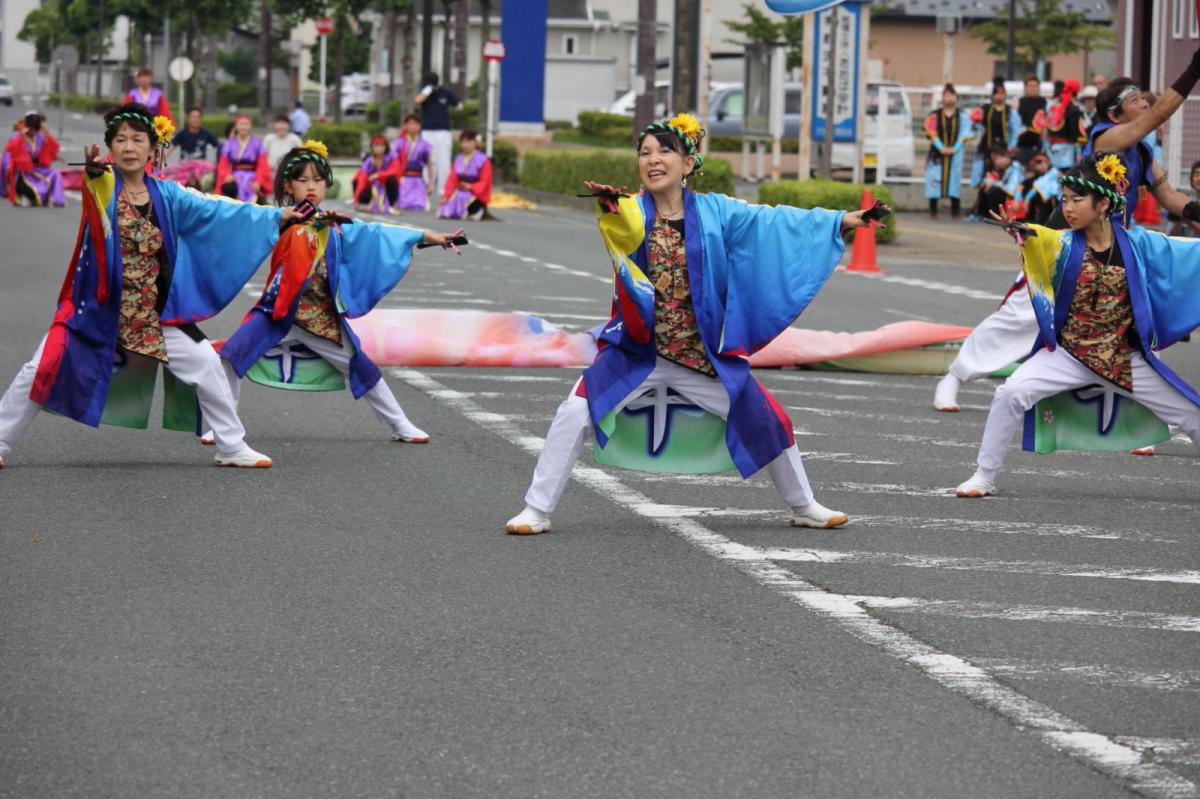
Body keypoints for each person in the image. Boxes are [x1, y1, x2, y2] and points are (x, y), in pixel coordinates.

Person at [504, 114, 885, 535]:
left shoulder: (716, 212)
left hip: (699, 357)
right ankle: (535, 510)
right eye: (644, 152)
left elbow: (772, 220)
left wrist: (839, 221)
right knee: (575, 411)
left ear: (688, 164)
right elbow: (620, 223)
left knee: (770, 419)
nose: (652, 159)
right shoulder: (631, 210)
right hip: (638, 353)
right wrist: (609, 205)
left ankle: (804, 505)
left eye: (664, 150)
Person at [0, 102, 298, 470]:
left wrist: (276, 215)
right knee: (41, 366)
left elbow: (219, 208)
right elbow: (95, 189)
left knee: (206, 363)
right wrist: (95, 173)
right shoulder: (104, 184)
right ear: (110, 148)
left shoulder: (169, 196)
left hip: (151, 314)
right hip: (97, 311)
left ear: (152, 148)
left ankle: (231, 446)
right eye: (120, 139)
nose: (128, 147)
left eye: (137, 139)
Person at [955, 153, 1200, 497]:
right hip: (1070, 355)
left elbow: (1186, 254)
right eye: (1064, 200)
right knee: (1010, 393)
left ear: (1102, 204)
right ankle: (984, 475)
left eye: (1077, 200)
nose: (1068, 208)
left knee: (1192, 413)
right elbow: (1042, 237)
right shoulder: (1065, 242)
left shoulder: (1139, 244)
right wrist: (1021, 231)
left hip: (1123, 358)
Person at [213, 140, 461, 446]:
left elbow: (377, 232)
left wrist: (427, 236)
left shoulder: (334, 224)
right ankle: (222, 425)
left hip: (319, 316)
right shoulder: (278, 218)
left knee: (361, 365)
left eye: (317, 180)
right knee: (232, 356)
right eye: (302, 180)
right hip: (277, 311)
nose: (311, 187)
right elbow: (242, 221)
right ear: (289, 186)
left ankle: (399, 422)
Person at [1081, 49, 1200, 230]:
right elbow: (1158, 114)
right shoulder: (1105, 139)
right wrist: (1193, 71)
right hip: (1084, 235)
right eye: (1135, 100)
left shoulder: (1142, 151)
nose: (1145, 104)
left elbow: (1168, 195)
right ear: (1114, 116)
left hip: (1116, 236)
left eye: (1143, 98)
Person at [923, 84, 971, 219]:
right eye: (946, 95)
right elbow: (930, 132)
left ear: (956, 97)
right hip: (937, 153)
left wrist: (954, 148)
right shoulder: (934, 115)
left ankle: (955, 212)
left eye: (952, 95)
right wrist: (941, 147)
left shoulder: (962, 116)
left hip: (956, 153)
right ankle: (932, 210)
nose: (949, 98)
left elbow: (965, 133)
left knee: (954, 181)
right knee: (934, 180)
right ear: (943, 97)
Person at [969, 77, 1021, 192]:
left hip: (1003, 150)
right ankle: (981, 204)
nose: (999, 96)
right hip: (986, 147)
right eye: (996, 93)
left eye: (1002, 93)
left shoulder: (1010, 111)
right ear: (992, 95)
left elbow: (1016, 130)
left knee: (1000, 176)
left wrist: (1011, 146)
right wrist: (975, 122)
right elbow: (977, 125)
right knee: (982, 174)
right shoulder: (985, 109)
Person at [2, 111, 64, 207]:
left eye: (35, 128)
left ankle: (58, 201)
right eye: (30, 127)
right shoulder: (18, 139)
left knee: (55, 173)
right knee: (35, 193)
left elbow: (45, 155)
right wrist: (39, 175)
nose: (32, 130)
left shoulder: (39, 137)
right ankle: (20, 194)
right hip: (23, 172)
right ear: (26, 125)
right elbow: (15, 160)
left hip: (36, 169)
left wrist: (47, 134)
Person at [415, 72, 459, 203]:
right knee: (428, 160)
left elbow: (458, 104)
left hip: (443, 131)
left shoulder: (444, 92)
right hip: (427, 131)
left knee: (444, 161)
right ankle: (427, 188)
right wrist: (428, 90)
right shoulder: (424, 93)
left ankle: (443, 192)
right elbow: (417, 100)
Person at [437, 130, 494, 220]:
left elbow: (485, 181)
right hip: (460, 192)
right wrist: (446, 195)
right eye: (463, 142)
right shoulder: (459, 158)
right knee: (443, 211)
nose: (466, 145)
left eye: (469, 142)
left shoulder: (484, 160)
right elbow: (452, 178)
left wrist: (471, 186)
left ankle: (479, 210)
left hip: (475, 195)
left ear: (475, 143)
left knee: (471, 212)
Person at [216, 114, 272, 203]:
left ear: (250, 126)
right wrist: (227, 175)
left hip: (253, 176)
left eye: (246, 124)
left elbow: (262, 165)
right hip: (235, 176)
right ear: (236, 126)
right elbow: (223, 164)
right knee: (228, 188)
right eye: (241, 124)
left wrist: (258, 181)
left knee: (257, 190)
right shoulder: (229, 144)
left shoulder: (257, 143)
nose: (243, 127)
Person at [166, 107, 220, 189]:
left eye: (198, 117)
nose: (196, 119)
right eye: (193, 117)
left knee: (210, 176)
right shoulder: (182, 134)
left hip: (201, 166)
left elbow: (219, 147)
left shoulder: (206, 134)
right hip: (184, 166)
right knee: (166, 174)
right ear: (188, 119)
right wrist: (159, 159)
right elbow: (170, 148)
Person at [391, 114, 433, 211]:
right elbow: (393, 163)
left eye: (416, 124)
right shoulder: (398, 143)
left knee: (421, 206)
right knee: (402, 204)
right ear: (405, 126)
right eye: (411, 124)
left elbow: (429, 164)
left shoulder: (425, 145)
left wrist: (430, 184)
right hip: (402, 179)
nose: (413, 127)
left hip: (418, 180)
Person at [352, 135, 401, 213]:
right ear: (372, 147)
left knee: (392, 180)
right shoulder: (369, 161)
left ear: (386, 147)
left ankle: (391, 204)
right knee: (360, 191)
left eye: (381, 146)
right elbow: (362, 179)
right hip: (373, 188)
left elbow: (395, 170)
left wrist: (378, 175)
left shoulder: (392, 157)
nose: (379, 148)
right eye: (376, 146)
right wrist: (356, 199)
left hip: (387, 187)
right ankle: (368, 204)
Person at [1044, 79, 1086, 171]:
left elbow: (1046, 128)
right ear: (1076, 92)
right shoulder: (1074, 110)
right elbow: (1076, 134)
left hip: (1051, 149)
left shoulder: (1052, 106)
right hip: (1067, 152)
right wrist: (1079, 152)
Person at [972, 146, 1023, 219]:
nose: (996, 162)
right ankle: (984, 215)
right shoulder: (1004, 168)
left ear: (1007, 158)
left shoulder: (1015, 167)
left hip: (1014, 195)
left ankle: (996, 216)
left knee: (994, 190)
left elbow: (1012, 186)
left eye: (999, 158)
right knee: (984, 189)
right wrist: (989, 183)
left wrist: (992, 183)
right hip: (1005, 190)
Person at [1015, 74, 1047, 163]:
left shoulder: (1044, 103)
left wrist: (1045, 144)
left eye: (1035, 86)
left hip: (1039, 146)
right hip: (1022, 145)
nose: (1033, 88)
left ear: (1039, 88)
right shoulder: (1019, 103)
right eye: (1030, 86)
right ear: (1025, 88)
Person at [1166, 161, 1200, 237]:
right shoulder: (1186, 202)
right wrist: (1178, 221)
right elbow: (1173, 235)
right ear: (1190, 179)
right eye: (1196, 175)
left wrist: (1189, 221)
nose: (1199, 179)